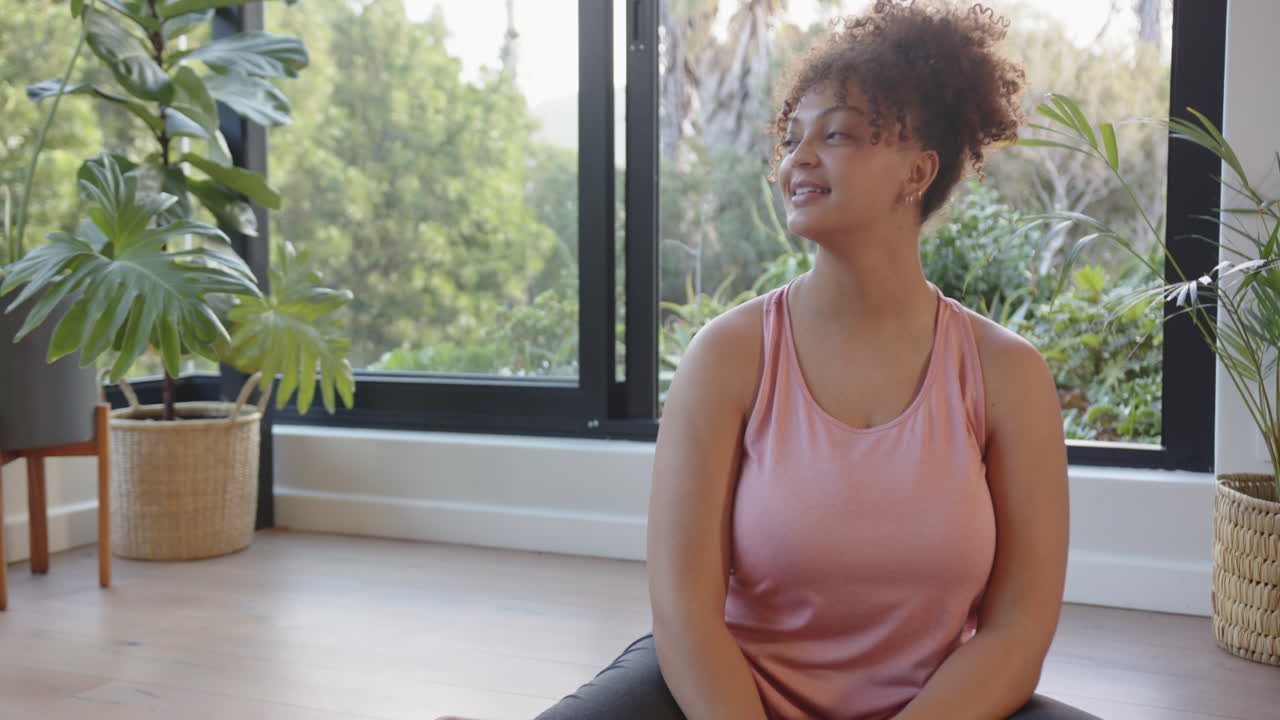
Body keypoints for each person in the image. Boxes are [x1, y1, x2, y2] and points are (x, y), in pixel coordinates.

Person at [445, 2, 1098, 718]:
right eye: (790, 140)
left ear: (919, 171)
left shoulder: (1007, 375)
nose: (798, 159)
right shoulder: (727, 356)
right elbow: (685, 607)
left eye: (838, 133)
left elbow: (1018, 629)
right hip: (724, 694)